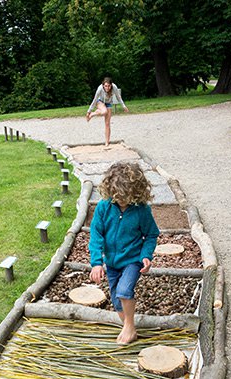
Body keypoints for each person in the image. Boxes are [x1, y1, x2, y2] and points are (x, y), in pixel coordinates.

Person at [89, 162, 159, 345]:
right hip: (112, 262)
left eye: (126, 197)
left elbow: (151, 234)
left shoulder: (141, 210)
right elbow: (96, 234)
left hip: (132, 260)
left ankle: (129, 327)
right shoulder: (104, 207)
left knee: (124, 290)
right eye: (118, 197)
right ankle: (129, 327)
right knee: (117, 301)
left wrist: (146, 255)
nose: (122, 201)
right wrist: (97, 262)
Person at [86, 77, 129, 146]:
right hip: (100, 102)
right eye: (106, 86)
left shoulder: (114, 87)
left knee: (107, 123)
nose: (107, 88)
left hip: (109, 103)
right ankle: (92, 114)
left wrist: (124, 106)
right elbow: (94, 100)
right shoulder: (100, 88)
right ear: (103, 85)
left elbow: (119, 97)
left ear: (111, 85)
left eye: (109, 86)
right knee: (104, 111)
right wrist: (89, 111)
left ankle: (107, 142)